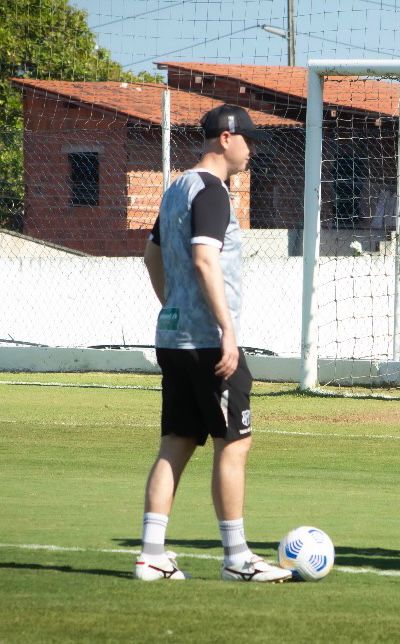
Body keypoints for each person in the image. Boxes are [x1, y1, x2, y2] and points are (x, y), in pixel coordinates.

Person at [134, 105, 291, 583]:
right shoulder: (212, 190)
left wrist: (174, 305)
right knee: (234, 443)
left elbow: (151, 256)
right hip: (208, 342)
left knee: (176, 443)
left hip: (174, 337)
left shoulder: (176, 187)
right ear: (226, 138)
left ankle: (151, 554)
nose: (252, 151)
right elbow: (205, 260)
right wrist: (227, 331)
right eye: (249, 141)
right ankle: (238, 558)